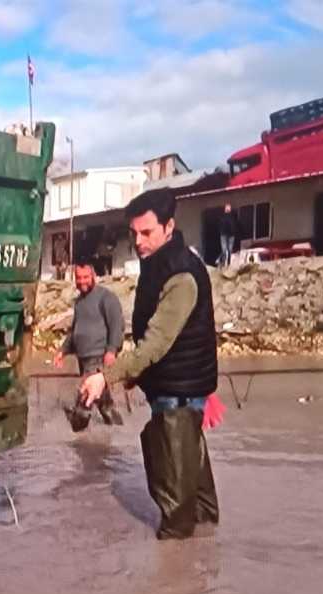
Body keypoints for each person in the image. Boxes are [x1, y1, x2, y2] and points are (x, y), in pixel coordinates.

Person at [80, 189, 220, 540]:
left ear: (169, 226)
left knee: (174, 514)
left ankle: (177, 586)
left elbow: (156, 343)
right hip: (180, 391)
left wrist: (104, 377)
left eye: (147, 233)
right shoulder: (160, 262)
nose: (138, 242)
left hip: (179, 395)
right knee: (199, 504)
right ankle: (207, 564)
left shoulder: (181, 275)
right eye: (134, 233)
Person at [55, 263, 124, 425]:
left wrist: (112, 350)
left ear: (93, 276)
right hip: (83, 357)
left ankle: (76, 435)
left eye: (86, 277)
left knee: (85, 397)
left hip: (98, 356)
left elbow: (116, 325)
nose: (82, 281)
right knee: (102, 400)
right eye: (78, 278)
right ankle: (115, 432)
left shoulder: (106, 298)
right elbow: (75, 330)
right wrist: (63, 351)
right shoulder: (79, 302)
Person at [218, 203, 238, 268]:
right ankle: (226, 263)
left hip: (225, 234)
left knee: (225, 250)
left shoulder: (223, 216)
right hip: (228, 235)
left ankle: (225, 263)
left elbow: (220, 225)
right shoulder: (232, 216)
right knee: (228, 250)